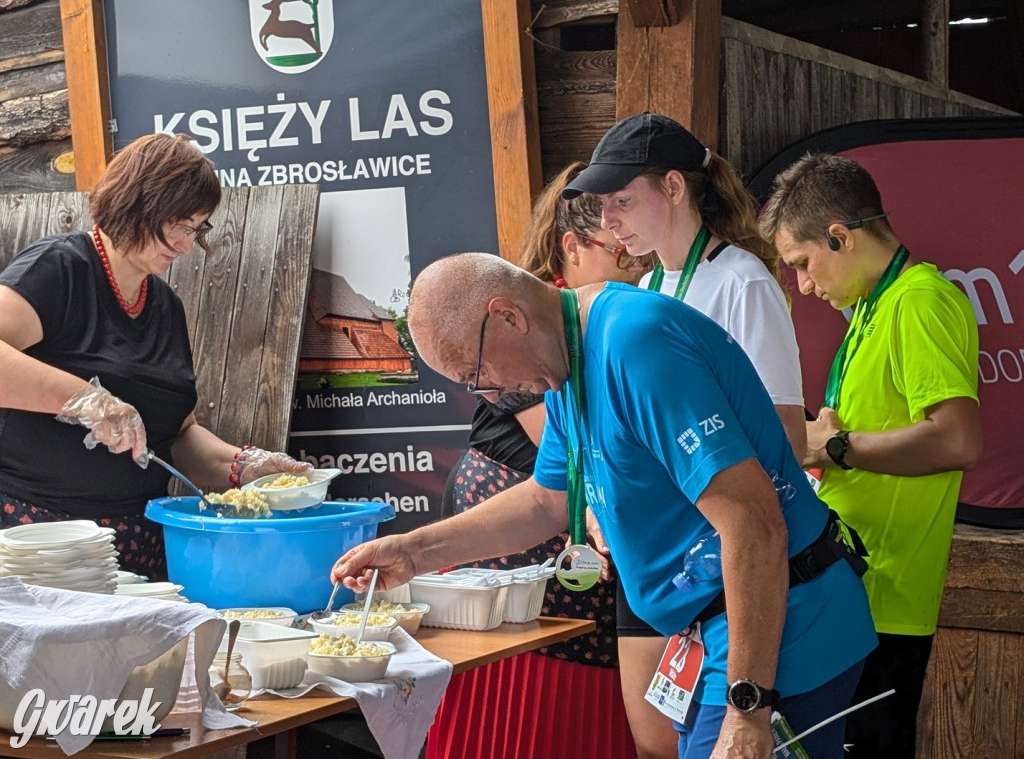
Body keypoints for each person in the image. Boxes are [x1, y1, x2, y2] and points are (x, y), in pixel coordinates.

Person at [335, 252, 877, 759]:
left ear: (508, 317)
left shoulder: (636, 344)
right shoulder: (565, 362)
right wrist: (412, 550)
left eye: (477, 376)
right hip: (714, 630)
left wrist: (748, 708)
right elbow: (547, 500)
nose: (493, 394)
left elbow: (753, 524)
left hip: (781, 627)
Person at [562, 112, 807, 758]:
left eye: (621, 200)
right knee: (658, 744)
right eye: (600, 205)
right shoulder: (647, 285)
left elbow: (788, 440)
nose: (609, 220)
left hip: (729, 564)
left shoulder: (743, 282)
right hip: (659, 560)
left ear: (675, 187)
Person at [0, 132, 310, 580]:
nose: (187, 246)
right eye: (179, 226)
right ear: (137, 203)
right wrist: (87, 399)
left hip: (140, 548)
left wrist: (243, 466)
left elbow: (174, 437)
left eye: (196, 229)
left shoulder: (165, 305)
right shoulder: (59, 268)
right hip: (41, 546)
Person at [758, 153, 983, 759]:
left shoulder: (919, 300)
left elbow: (959, 439)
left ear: (840, 236)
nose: (803, 285)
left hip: (884, 601)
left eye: (804, 264)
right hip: (852, 592)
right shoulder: (871, 308)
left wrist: (833, 445)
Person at [428, 162, 652, 759]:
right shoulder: (530, 332)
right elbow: (575, 460)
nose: (635, 267)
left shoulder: (608, 325)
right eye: (621, 254)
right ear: (573, 248)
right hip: (520, 538)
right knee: (521, 711)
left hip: (559, 533)